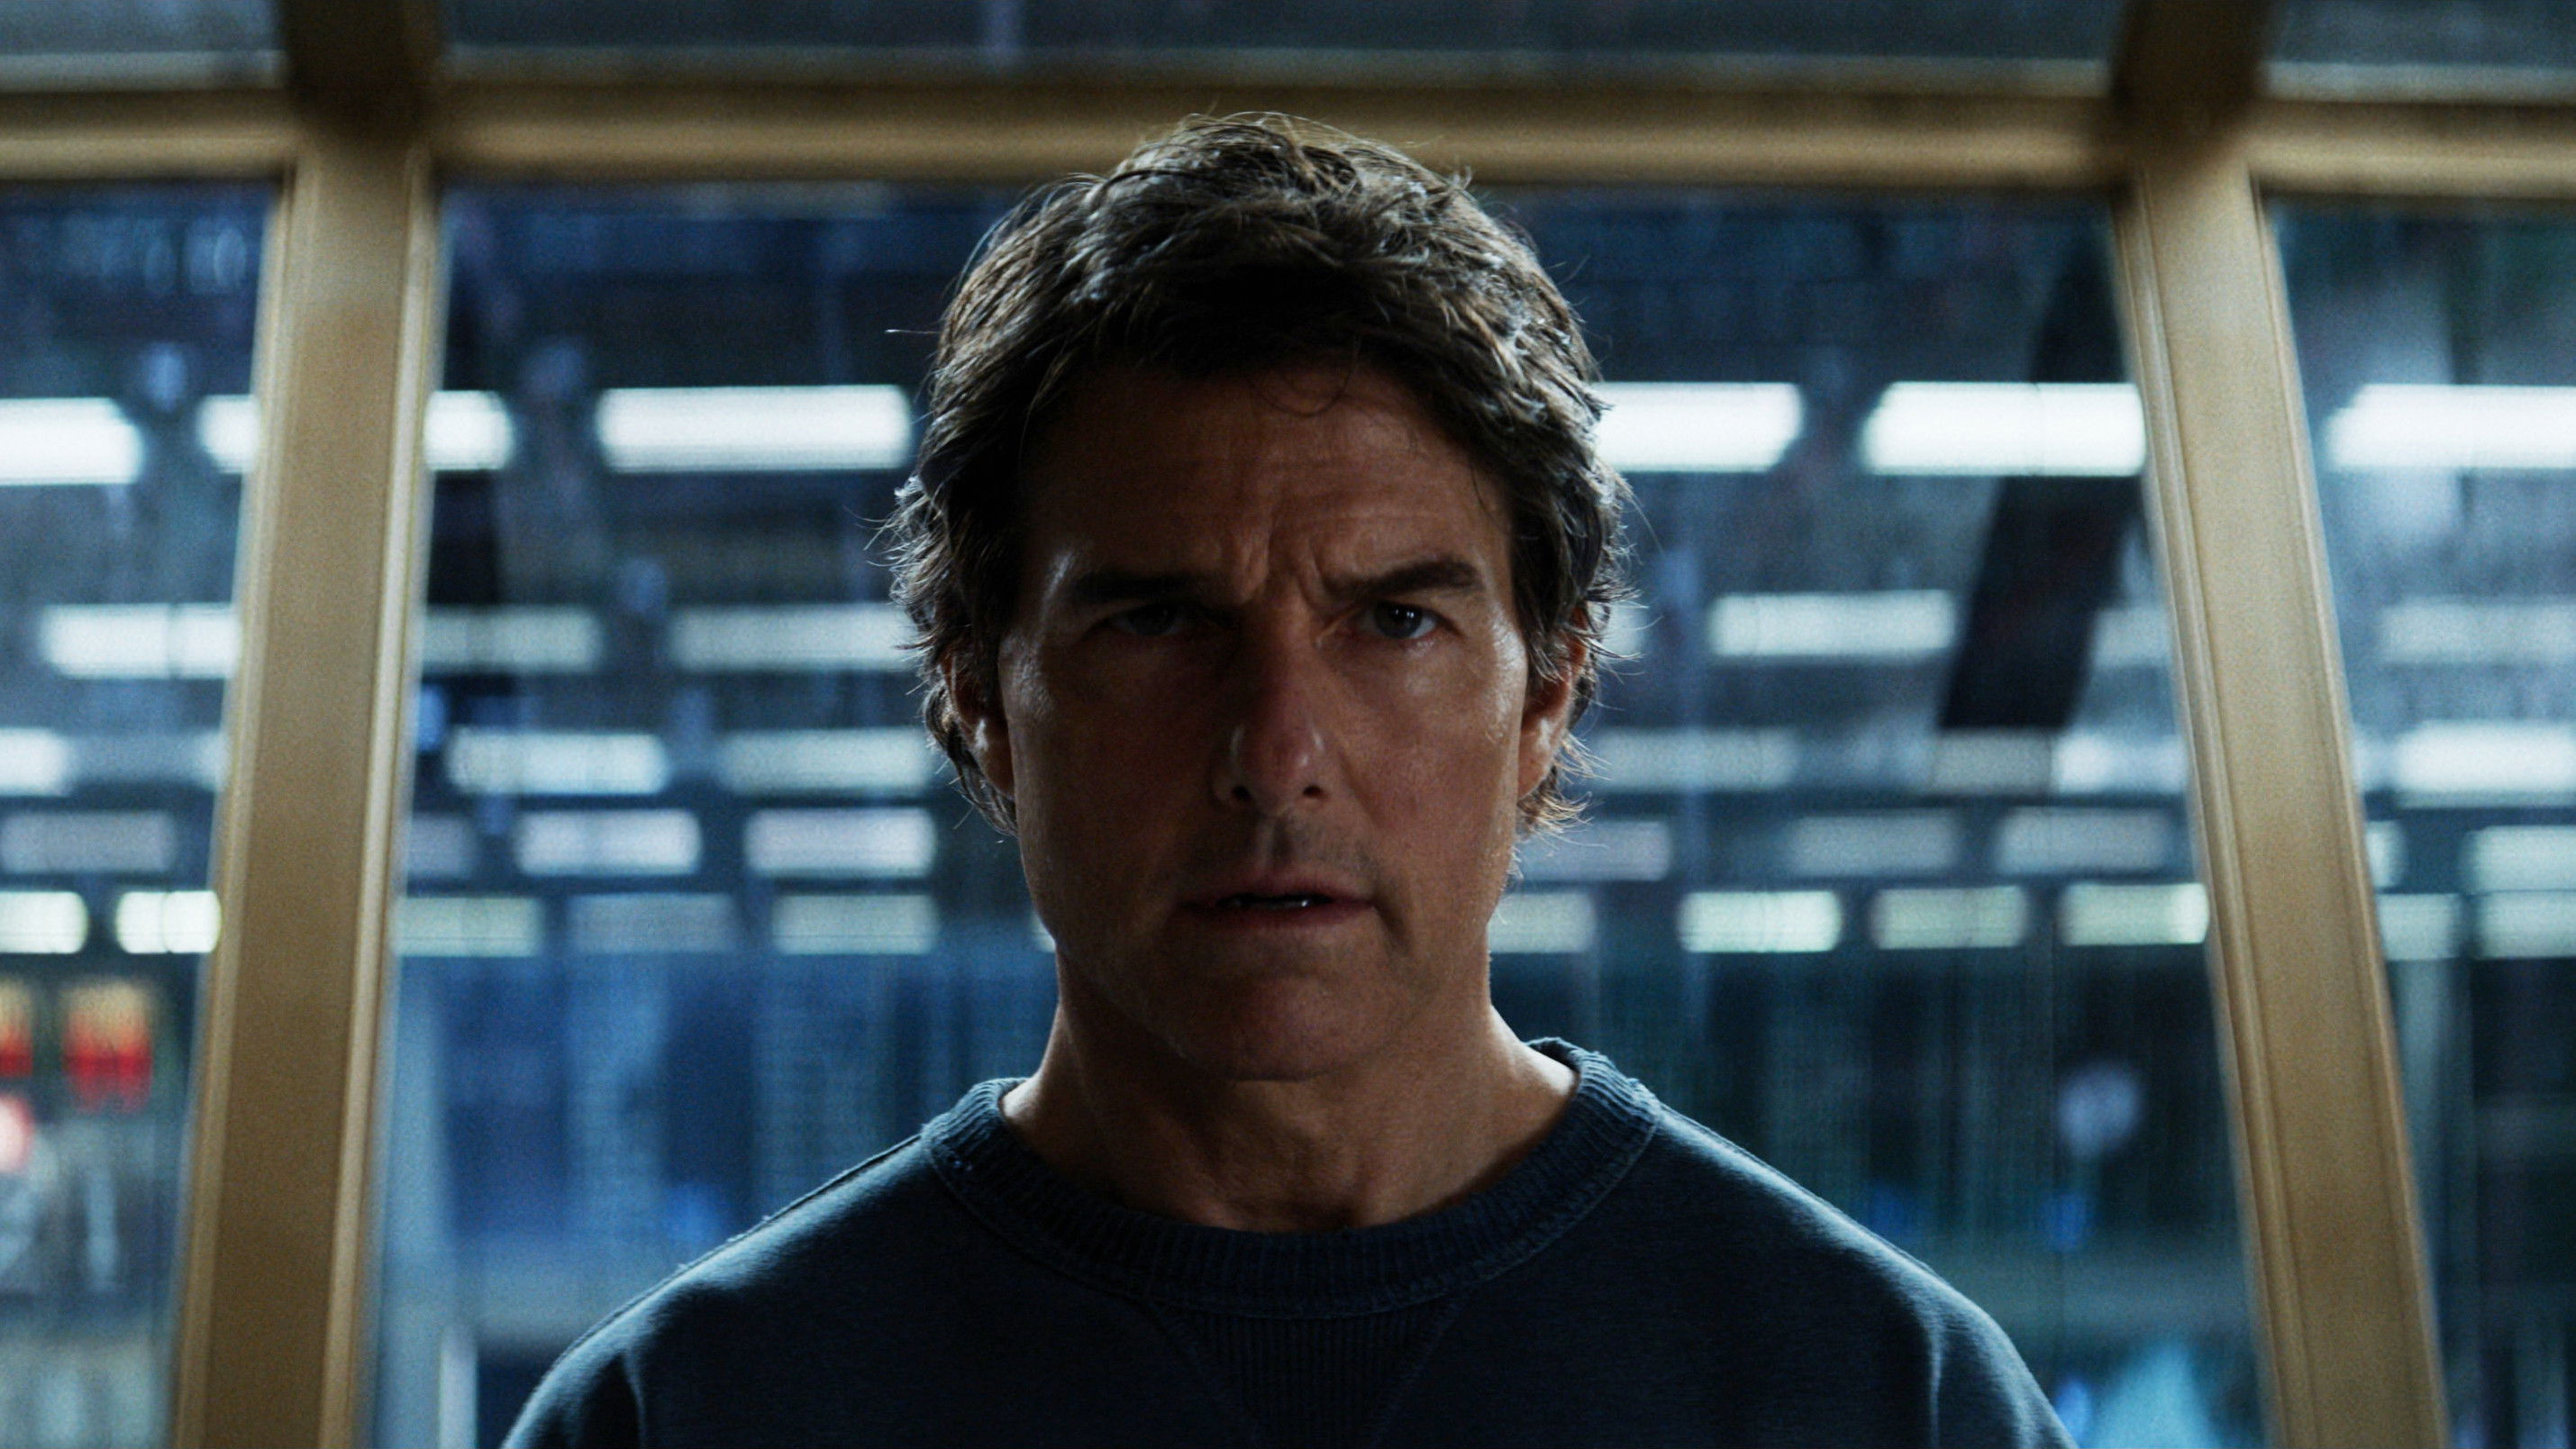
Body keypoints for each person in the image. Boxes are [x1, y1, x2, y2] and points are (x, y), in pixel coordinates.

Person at [508, 114, 2073, 1449]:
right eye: (1158, 622)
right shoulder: (689, 1415)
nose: (1274, 755)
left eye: (1393, 621)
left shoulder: (1885, 1398)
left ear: (1549, 695)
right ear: (979, 696)